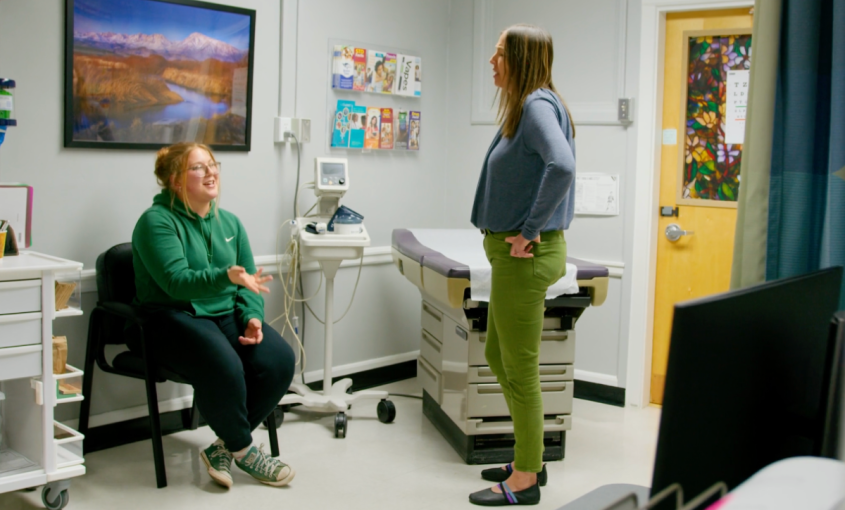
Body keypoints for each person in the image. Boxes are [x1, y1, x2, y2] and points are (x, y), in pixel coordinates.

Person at [131, 142, 297, 489]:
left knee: (279, 359)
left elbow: (249, 282)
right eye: (198, 167)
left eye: (212, 164)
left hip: (224, 315)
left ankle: (222, 446)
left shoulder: (230, 222)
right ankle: (245, 451)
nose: (211, 172)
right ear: (176, 181)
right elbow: (176, 283)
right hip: (171, 316)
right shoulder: (155, 222)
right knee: (224, 365)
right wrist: (226, 277)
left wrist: (252, 317)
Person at [468, 24, 576, 506]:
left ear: (520, 58)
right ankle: (528, 455)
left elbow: (563, 165)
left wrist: (530, 229)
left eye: (498, 54)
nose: (492, 61)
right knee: (497, 356)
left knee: (521, 370)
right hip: (516, 257)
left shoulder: (535, 106)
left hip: (525, 257)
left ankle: (526, 477)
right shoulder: (531, 105)